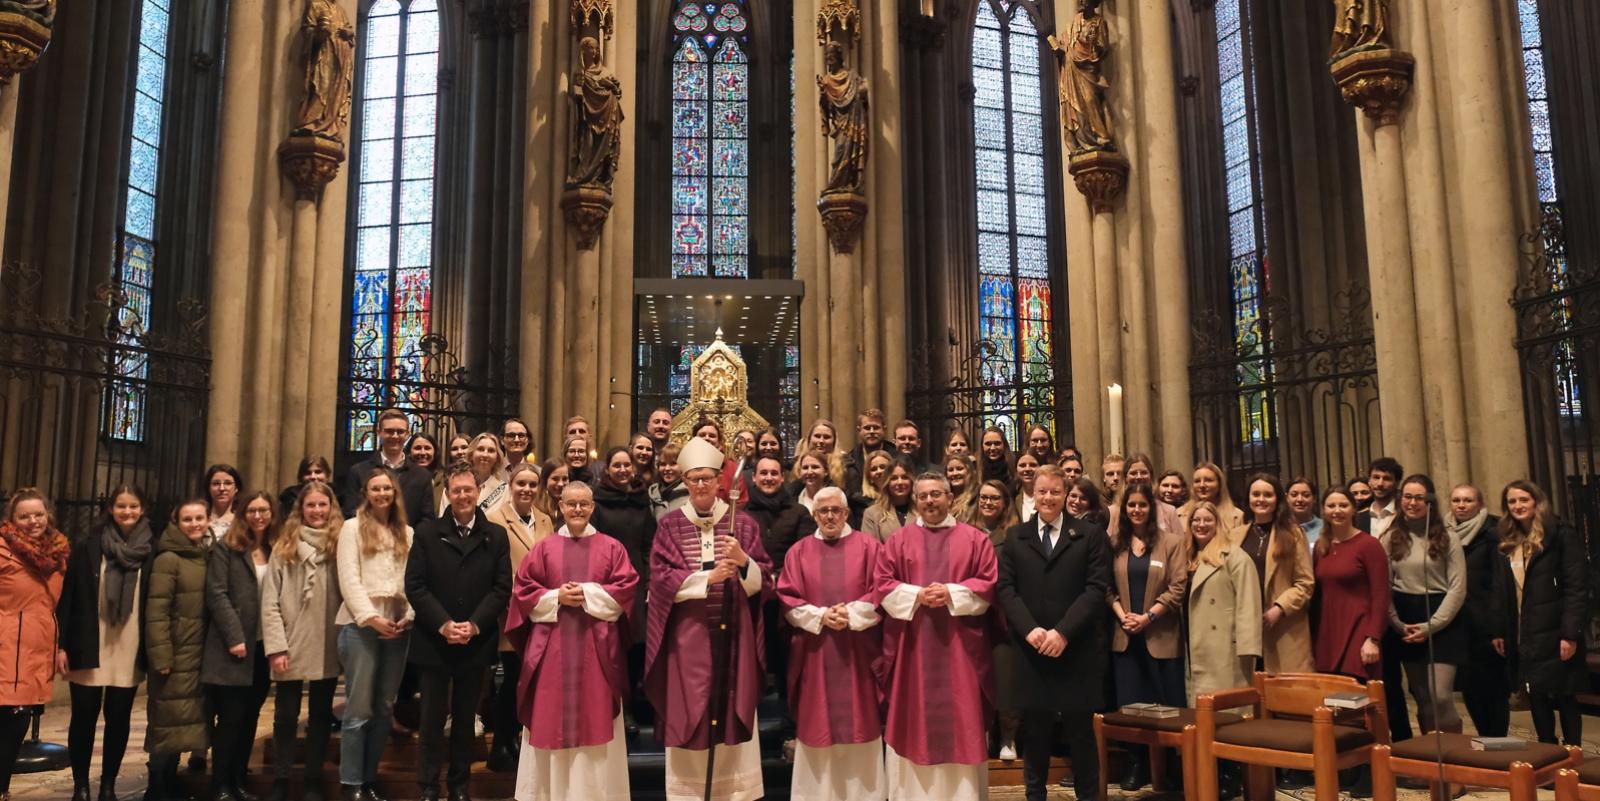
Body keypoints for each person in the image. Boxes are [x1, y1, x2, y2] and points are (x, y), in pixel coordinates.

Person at [644, 436, 773, 801]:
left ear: (720, 480)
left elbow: (766, 579)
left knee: (732, 714)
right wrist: (706, 579)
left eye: (707, 478)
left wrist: (743, 560)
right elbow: (661, 580)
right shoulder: (669, 526)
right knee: (689, 716)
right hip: (687, 642)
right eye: (693, 479)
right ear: (684, 482)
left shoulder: (743, 526)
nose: (700, 485)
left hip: (734, 637)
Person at [506, 482, 639, 801]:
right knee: (550, 723)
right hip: (552, 653)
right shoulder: (543, 548)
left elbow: (626, 590)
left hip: (596, 655)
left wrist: (585, 593)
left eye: (584, 504)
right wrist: (556, 597)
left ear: (593, 507)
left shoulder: (611, 547)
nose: (577, 509)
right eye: (571, 504)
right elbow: (522, 592)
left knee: (595, 730)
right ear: (560, 507)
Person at [875, 472, 997, 800]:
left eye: (936, 494)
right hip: (914, 649)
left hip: (961, 652)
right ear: (915, 500)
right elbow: (883, 585)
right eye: (924, 496)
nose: (930, 501)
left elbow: (987, 585)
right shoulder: (898, 541)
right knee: (913, 720)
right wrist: (917, 595)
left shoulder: (975, 539)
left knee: (964, 720)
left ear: (949, 497)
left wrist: (950, 592)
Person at [997, 466, 1107, 801]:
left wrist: (1062, 633)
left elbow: (1095, 588)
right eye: (1042, 492)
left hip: (1074, 649)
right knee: (1037, 732)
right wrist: (1030, 630)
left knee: (1080, 733)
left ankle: (1089, 796)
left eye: (1055, 492)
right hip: (1032, 651)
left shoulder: (1088, 535)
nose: (1048, 498)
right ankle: (1035, 795)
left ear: (1065, 494)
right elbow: (1005, 589)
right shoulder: (1017, 537)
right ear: (1034, 495)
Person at [407, 465, 512, 801]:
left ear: (477, 492)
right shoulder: (426, 532)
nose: (464, 496)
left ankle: (459, 786)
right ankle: (427, 786)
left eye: (469, 489)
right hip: (434, 642)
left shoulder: (494, 535)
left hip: (475, 642)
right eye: (457, 490)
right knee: (432, 720)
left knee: (465, 722)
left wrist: (475, 624)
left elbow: (501, 588)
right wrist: (444, 624)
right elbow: (416, 586)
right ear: (448, 494)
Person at [776, 487, 885, 801]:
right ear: (814, 515)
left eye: (836, 510)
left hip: (858, 654)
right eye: (823, 511)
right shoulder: (798, 552)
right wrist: (822, 616)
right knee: (817, 727)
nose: (830, 516)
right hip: (816, 655)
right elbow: (787, 597)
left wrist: (850, 613)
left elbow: (881, 590)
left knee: (862, 725)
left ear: (847, 513)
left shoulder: (870, 548)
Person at [59, 486, 154, 801]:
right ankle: (81, 785)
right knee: (84, 716)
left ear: (142, 509)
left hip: (128, 643)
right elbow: (68, 598)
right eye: (121, 506)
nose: (127, 512)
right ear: (111, 509)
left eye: (133, 506)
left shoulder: (150, 550)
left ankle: (109, 784)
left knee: (119, 718)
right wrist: (61, 645)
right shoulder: (88, 546)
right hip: (90, 641)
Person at [336, 467, 416, 801]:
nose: (382, 493)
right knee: (358, 709)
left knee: (384, 706)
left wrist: (408, 616)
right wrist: (370, 618)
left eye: (387, 488)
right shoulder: (351, 528)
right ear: (366, 493)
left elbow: (413, 580)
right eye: (375, 488)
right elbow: (348, 578)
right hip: (360, 626)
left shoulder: (407, 533)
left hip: (397, 628)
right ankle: (351, 782)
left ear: (395, 493)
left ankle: (368, 779)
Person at [261, 482, 344, 801]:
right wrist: (276, 646)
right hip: (291, 642)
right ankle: (281, 779)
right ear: (301, 509)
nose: (317, 511)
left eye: (323, 505)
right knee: (285, 715)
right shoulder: (285, 546)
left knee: (321, 716)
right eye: (311, 505)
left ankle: (312, 779)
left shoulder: (340, 544)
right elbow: (270, 602)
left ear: (331, 507)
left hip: (327, 640)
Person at [1106, 482, 1187, 791]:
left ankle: (1171, 768)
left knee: (1167, 705)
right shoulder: (1115, 543)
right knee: (1130, 706)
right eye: (1131, 505)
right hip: (1125, 636)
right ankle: (1136, 764)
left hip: (1161, 636)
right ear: (1124, 509)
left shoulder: (1172, 542)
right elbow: (1104, 586)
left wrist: (1148, 616)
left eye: (1142, 505)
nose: (1137, 510)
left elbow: (1177, 587)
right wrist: (1122, 615)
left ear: (1152, 508)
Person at [1493, 479, 1587, 745]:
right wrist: (1500, 630)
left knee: (1564, 693)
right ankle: (1548, 752)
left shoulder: (1559, 533)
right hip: (1526, 629)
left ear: (1537, 502)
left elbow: (1576, 586)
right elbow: (1504, 591)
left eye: (1524, 500)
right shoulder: (1508, 539)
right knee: (1536, 693)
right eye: (1512, 501)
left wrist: (1570, 633)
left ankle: (1572, 754)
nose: (1518, 505)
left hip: (1555, 628)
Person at [202, 492, 277, 801]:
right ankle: (220, 784)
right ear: (243, 514)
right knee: (231, 718)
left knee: (250, 717)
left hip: (263, 645)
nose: (259, 515)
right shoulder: (227, 548)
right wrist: (235, 638)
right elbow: (217, 594)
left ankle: (238, 779)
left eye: (264, 510)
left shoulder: (275, 549)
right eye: (253, 510)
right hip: (233, 646)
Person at [1182, 501, 1259, 801]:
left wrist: (1248, 649)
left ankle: (1230, 774)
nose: (1201, 525)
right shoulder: (1187, 557)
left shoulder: (1235, 557)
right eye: (1195, 521)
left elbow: (1249, 604)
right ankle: (1208, 771)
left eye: (1207, 520)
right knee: (1201, 716)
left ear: (1218, 524)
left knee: (1226, 716)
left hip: (1224, 650)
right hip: (1194, 645)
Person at [1381, 474, 1467, 739]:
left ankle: (1454, 763)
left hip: (1441, 618)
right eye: (1407, 496)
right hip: (1405, 618)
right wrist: (1396, 622)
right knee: (1422, 697)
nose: (1412, 502)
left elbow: (1457, 587)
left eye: (1419, 497)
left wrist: (1432, 626)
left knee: (1440, 696)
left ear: (1430, 501)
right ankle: (1429, 764)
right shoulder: (1391, 536)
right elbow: (1383, 585)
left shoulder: (1447, 536)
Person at [0, 490, 69, 800]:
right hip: (6, 647)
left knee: (17, 723)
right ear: (11, 520)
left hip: (36, 648)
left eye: (38, 514)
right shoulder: (3, 550)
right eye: (24, 516)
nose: (33, 521)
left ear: (48, 515)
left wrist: (60, 646)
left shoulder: (57, 554)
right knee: (6, 721)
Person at [485, 462, 555, 770]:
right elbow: (493, 569)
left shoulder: (545, 519)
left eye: (532, 484)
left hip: (541, 611)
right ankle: (500, 745)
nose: (526, 489)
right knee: (512, 677)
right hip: (511, 611)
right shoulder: (494, 519)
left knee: (530, 680)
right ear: (510, 485)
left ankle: (516, 740)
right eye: (520, 483)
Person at [144, 501, 211, 801]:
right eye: (188, 519)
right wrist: (161, 657)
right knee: (165, 724)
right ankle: (157, 788)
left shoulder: (204, 555)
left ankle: (170, 785)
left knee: (181, 723)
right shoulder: (168, 558)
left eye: (199, 518)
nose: (194, 524)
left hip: (196, 653)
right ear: (176, 521)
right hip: (174, 654)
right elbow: (156, 612)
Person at [1229, 474, 1314, 673]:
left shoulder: (1293, 534)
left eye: (1268, 495)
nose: (1261, 499)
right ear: (1248, 499)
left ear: (1277, 499)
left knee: (1284, 695)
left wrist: (1279, 608)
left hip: (1283, 625)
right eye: (1256, 494)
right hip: (1245, 626)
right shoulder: (1234, 535)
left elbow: (1305, 583)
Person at [964, 479, 1020, 759]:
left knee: (1006, 679)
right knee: (975, 680)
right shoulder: (964, 533)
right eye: (983, 498)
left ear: (1005, 503)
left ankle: (1008, 737)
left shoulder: (1014, 535)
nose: (987, 503)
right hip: (971, 618)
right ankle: (982, 732)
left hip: (1003, 618)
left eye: (994, 498)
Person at [1310, 486, 1387, 682]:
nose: (1337, 510)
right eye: (1331, 506)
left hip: (1359, 632)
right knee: (1331, 699)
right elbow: (1316, 594)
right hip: (1327, 634)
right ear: (1324, 511)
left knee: (1360, 699)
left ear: (1353, 509)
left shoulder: (1369, 545)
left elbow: (1381, 595)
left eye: (1343, 505)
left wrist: (1373, 638)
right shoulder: (1321, 547)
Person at [1450, 483, 1508, 738]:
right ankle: (1485, 739)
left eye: (1468, 500)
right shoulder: (1444, 532)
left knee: (1494, 689)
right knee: (1469, 688)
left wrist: (1498, 626)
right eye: (1456, 500)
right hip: (1459, 623)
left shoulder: (1493, 531)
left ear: (1480, 504)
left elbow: (1499, 581)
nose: (1461, 505)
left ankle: (1498, 741)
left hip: (1487, 622)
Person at [343, 409, 436, 523]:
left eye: (400, 431)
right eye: (389, 431)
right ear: (379, 432)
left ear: (407, 434)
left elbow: (427, 518)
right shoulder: (359, 471)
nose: (395, 436)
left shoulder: (422, 476)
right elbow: (351, 513)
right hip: (369, 538)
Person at [745, 457, 817, 575]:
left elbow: (805, 555)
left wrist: (779, 578)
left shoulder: (799, 513)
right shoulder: (744, 515)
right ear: (754, 477)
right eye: (763, 473)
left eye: (774, 473)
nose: (769, 478)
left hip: (789, 583)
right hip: (752, 584)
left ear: (782, 477)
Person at [861, 457, 915, 542]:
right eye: (894, 478)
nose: (899, 482)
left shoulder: (922, 511)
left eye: (905, 477)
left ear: (912, 481)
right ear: (887, 483)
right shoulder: (872, 514)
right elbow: (871, 550)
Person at [1181, 461, 1242, 531]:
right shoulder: (1179, 515)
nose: (1202, 485)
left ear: (1219, 484)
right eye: (1197, 481)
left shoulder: (1237, 516)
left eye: (1208, 480)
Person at [841, 408, 889, 496]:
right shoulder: (850, 460)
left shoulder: (897, 457)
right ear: (859, 430)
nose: (871, 431)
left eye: (876, 427)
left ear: (884, 429)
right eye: (867, 428)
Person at [1356, 456, 1402, 538]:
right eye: (1376, 477)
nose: (1380, 483)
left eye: (1387, 479)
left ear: (1397, 483)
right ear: (1369, 481)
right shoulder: (1358, 515)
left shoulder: (1403, 512)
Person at [202, 465, 243, 549]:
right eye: (216, 483)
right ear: (208, 488)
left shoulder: (242, 520)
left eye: (228, 483)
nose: (222, 488)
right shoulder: (198, 518)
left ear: (236, 488)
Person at [467, 433, 510, 512]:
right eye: (480, 449)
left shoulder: (505, 491)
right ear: (471, 454)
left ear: (497, 457)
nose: (485, 454)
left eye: (491, 451)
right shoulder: (457, 485)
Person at [649, 443, 690, 520]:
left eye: (673, 464)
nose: (667, 468)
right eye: (663, 464)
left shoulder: (691, 493)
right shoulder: (654, 495)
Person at [1287, 477, 1322, 554]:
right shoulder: (1279, 528)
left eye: (1306, 495)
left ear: (1314, 499)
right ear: (1287, 498)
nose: (1299, 499)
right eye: (1294, 495)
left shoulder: (1326, 528)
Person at [534, 460, 570, 526]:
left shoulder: (572, 506)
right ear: (545, 480)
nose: (561, 484)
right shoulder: (534, 506)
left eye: (565, 479)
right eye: (555, 479)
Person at [943, 454, 977, 520]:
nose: (955, 473)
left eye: (959, 469)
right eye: (950, 470)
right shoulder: (943, 497)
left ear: (969, 471)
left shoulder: (977, 496)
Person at [1013, 453, 1040, 522]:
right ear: (1016, 470)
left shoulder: (1048, 495)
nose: (1027, 469)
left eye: (1033, 465)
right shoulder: (1013, 497)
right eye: (1022, 465)